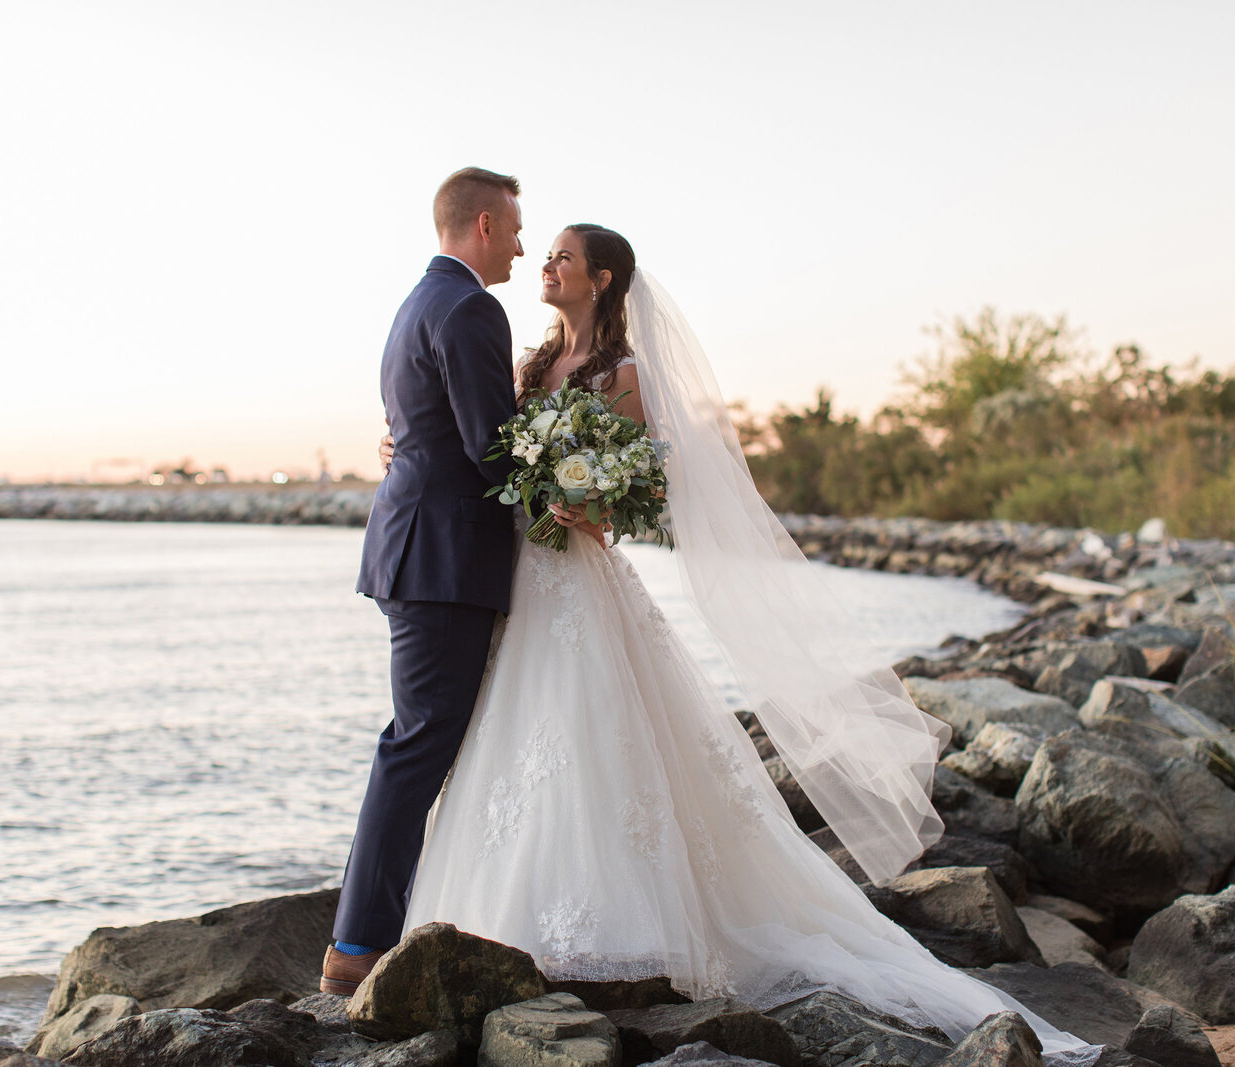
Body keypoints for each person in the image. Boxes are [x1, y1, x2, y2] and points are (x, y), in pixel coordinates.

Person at [365, 223, 1086, 1056]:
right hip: (520, 579)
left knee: (590, 732)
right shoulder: (531, 365)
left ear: (600, 279)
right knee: (516, 744)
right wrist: (401, 443)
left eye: (563, 255)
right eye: (546, 250)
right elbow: (477, 439)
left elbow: (642, 485)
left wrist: (585, 503)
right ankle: (499, 922)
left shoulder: (621, 376)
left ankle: (617, 929)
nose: (546, 263)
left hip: (575, 574)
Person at [321, 166, 528, 996]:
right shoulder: (472, 306)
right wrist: (573, 480)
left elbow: (430, 430)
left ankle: (385, 924)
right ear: (482, 223)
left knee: (423, 741)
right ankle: (357, 944)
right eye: (513, 227)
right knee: (416, 748)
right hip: (441, 557)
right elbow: (491, 445)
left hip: (421, 548)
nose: (519, 243)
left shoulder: (419, 302)